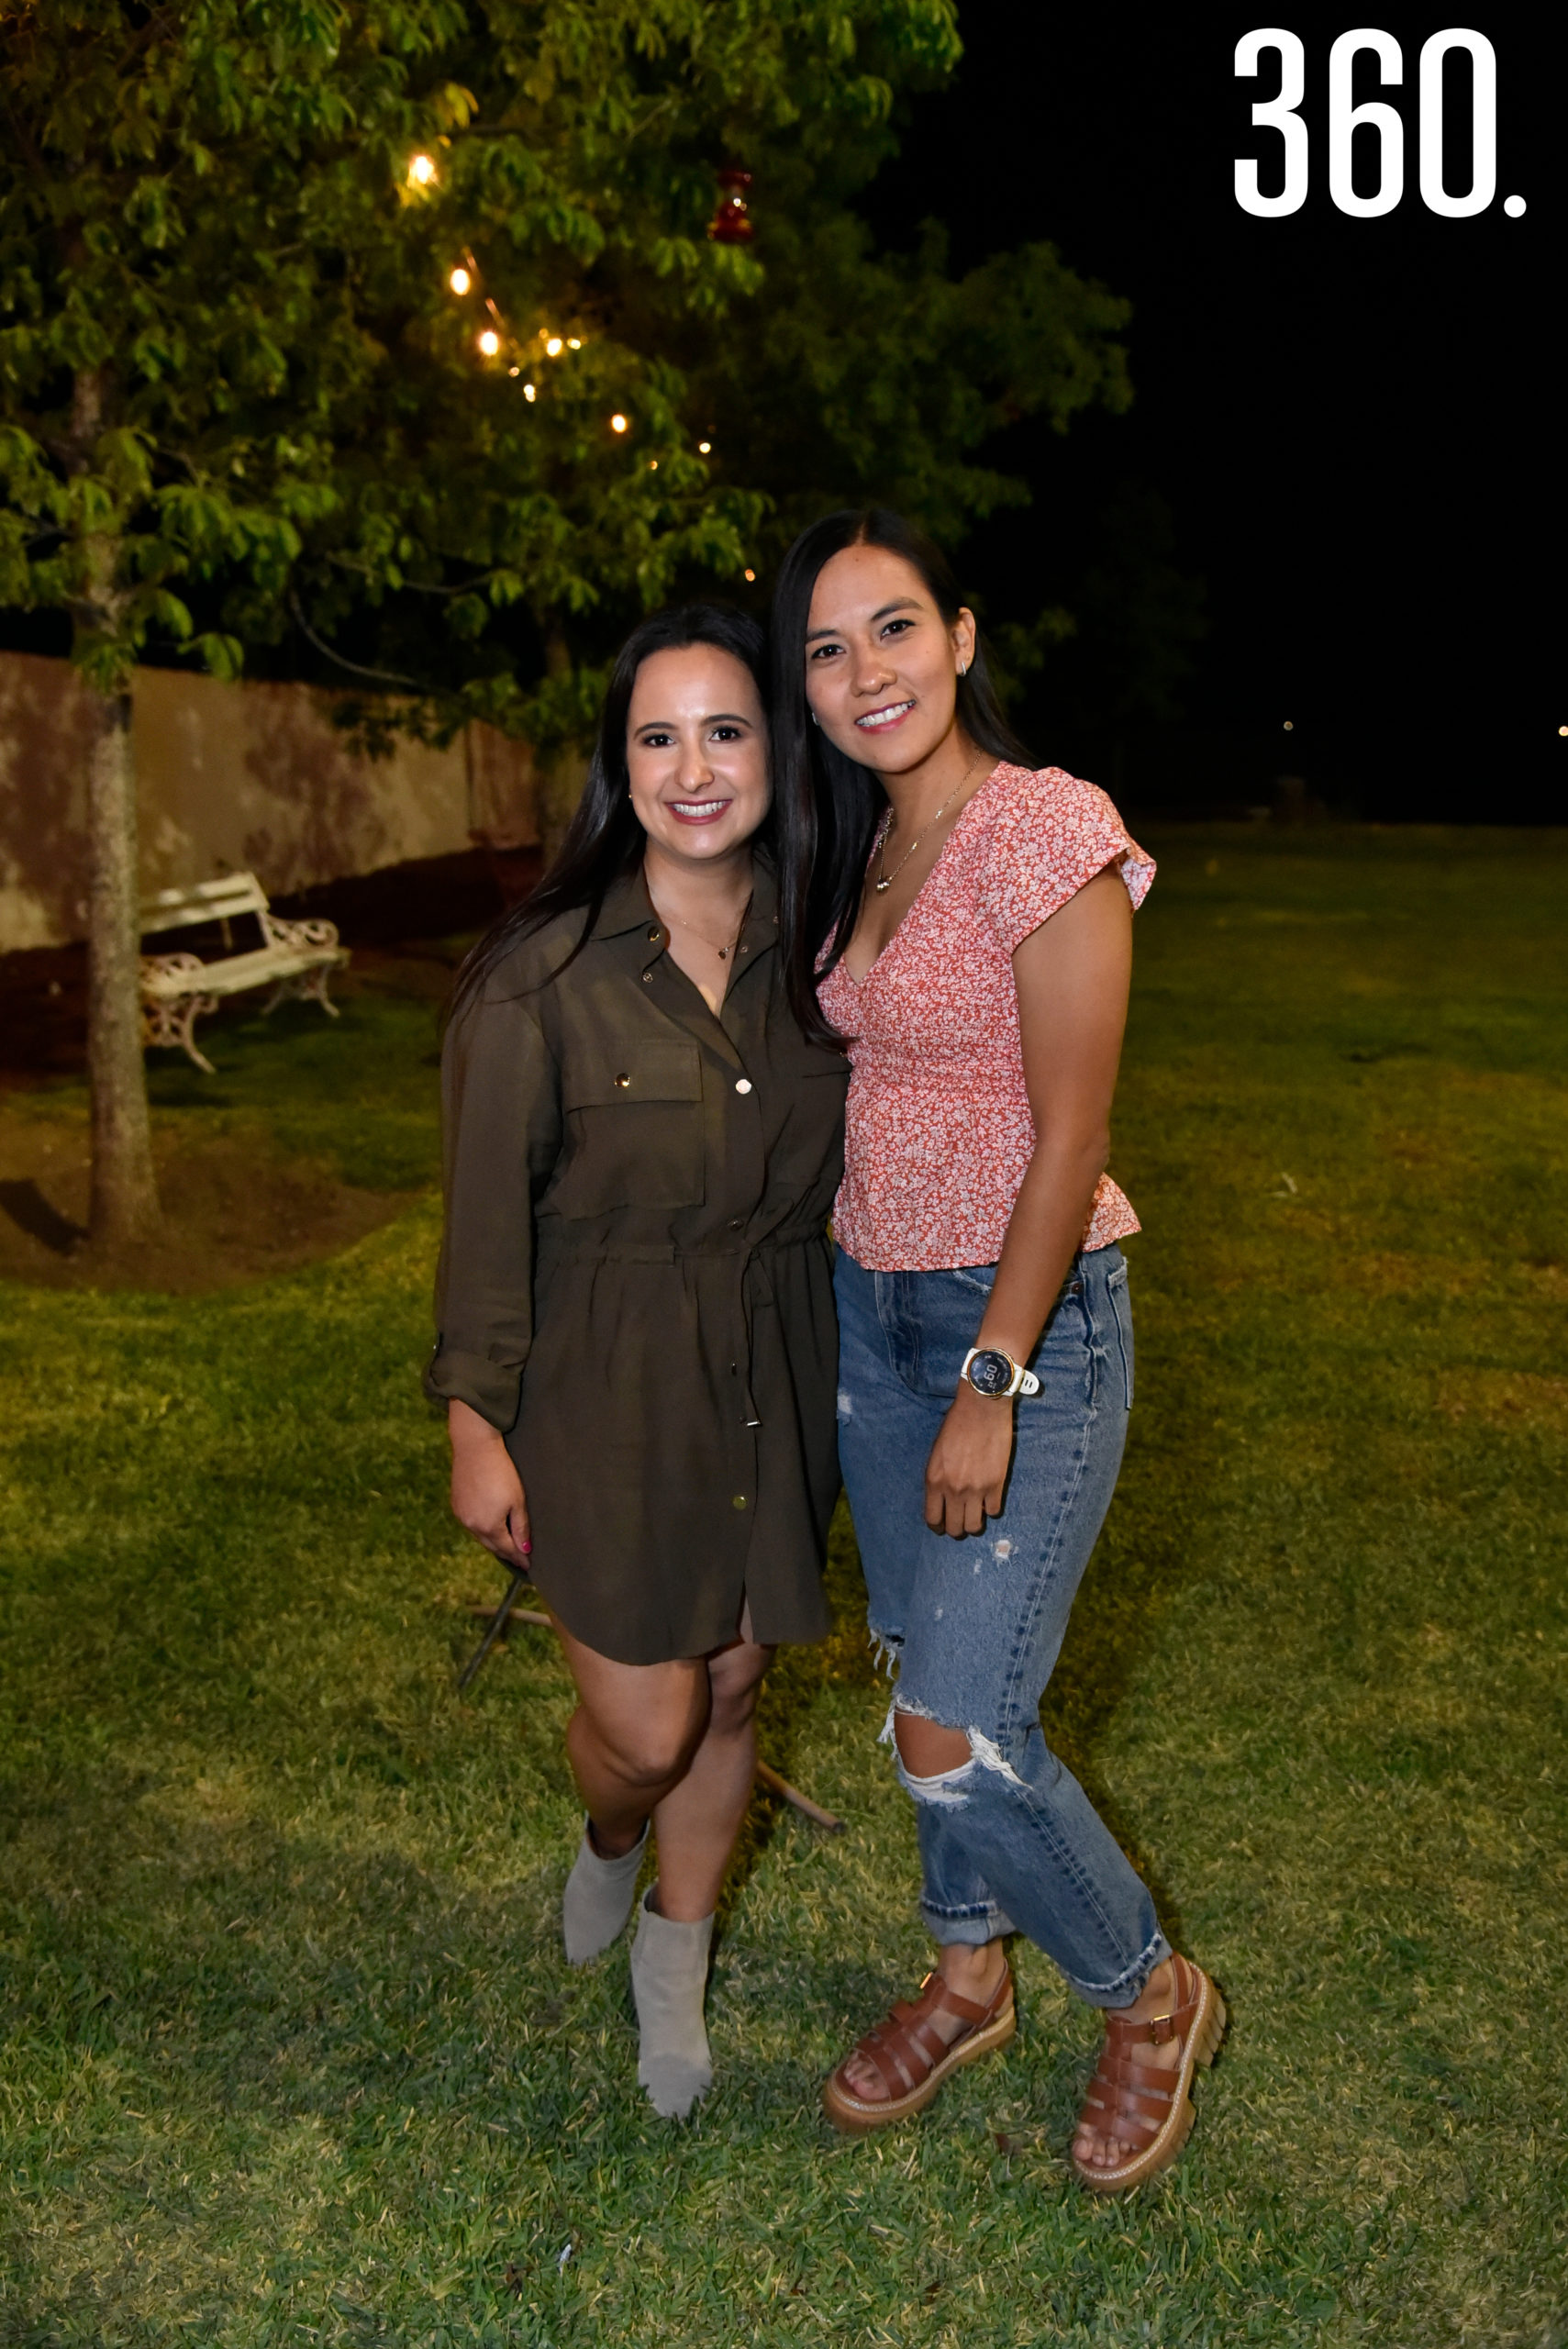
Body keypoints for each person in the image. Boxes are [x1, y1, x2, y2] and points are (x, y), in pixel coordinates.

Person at [772, 508, 1224, 2192]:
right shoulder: (854, 845)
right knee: (917, 1682)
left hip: (1010, 1327)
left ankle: (1148, 1994)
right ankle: (967, 1977)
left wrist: (992, 1381)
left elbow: (1068, 1129)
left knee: (963, 1727)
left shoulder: (1045, 828)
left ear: (959, 637)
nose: (863, 670)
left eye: (891, 629)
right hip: (868, 1307)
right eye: (826, 648)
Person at [427, 606, 849, 2120]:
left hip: (771, 1365)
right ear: (618, 766)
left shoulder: (825, 962)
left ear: (772, 752)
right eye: (655, 735)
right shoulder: (544, 976)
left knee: (730, 1694)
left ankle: (675, 1963)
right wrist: (480, 1422)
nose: (692, 766)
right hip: (598, 1382)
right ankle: (611, 1835)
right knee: (647, 1724)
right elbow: (485, 1217)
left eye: (725, 730)